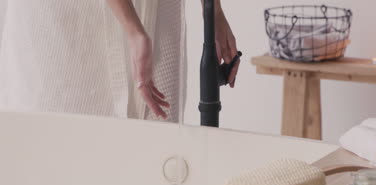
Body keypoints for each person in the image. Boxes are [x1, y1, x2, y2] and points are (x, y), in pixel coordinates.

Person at [0, 0, 240, 122]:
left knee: (158, 156)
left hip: (157, 13)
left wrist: (213, 11)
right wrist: (132, 27)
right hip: (68, 21)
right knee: (60, 145)